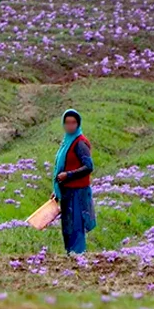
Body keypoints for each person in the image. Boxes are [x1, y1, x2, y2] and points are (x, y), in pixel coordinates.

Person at [52, 109, 96, 255]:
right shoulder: (66, 142)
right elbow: (61, 165)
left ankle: (78, 256)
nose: (70, 126)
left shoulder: (80, 143)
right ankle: (70, 256)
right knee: (68, 227)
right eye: (67, 123)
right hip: (67, 191)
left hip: (77, 192)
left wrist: (68, 175)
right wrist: (57, 189)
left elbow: (88, 166)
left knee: (76, 226)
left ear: (78, 124)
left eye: (73, 123)